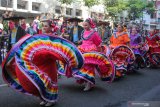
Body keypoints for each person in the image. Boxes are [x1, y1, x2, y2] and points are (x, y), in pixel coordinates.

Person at [74, 18, 114, 91]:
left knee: (89, 67)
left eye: (86, 25)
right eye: (84, 25)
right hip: (82, 50)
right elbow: (83, 40)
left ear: (90, 25)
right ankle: (86, 81)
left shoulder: (94, 33)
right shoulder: (83, 32)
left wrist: (100, 51)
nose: (84, 26)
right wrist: (79, 42)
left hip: (91, 51)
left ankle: (89, 83)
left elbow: (98, 43)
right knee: (82, 66)